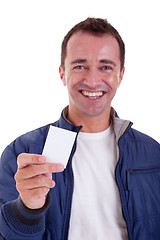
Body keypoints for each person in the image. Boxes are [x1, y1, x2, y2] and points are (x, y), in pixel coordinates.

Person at [0, 17, 159, 240]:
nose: (93, 81)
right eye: (80, 66)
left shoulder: (153, 153)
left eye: (105, 67)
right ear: (62, 73)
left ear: (120, 75)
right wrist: (28, 209)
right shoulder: (22, 153)